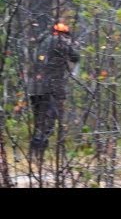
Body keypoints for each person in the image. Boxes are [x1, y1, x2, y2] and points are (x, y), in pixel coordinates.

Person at [27, 22, 80, 159]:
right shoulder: (60, 41)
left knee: (39, 121)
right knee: (49, 122)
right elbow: (75, 57)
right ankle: (38, 154)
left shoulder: (41, 41)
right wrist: (72, 45)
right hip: (51, 88)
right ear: (63, 34)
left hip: (35, 89)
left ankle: (33, 154)